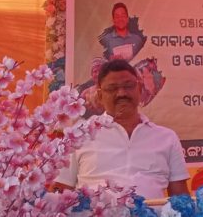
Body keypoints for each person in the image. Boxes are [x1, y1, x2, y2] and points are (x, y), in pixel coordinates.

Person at [54, 59, 189, 199]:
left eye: (128, 86)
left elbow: (181, 200)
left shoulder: (166, 138)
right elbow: (61, 193)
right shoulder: (78, 135)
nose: (121, 93)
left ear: (140, 89)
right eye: (112, 88)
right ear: (100, 96)